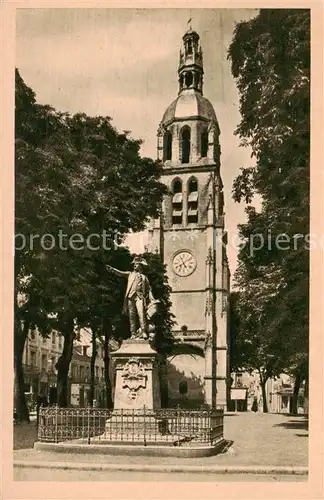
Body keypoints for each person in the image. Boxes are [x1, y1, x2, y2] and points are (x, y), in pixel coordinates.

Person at [106, 256, 155, 339]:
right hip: (130, 297)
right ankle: (133, 333)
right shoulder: (130, 274)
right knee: (131, 316)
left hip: (140, 297)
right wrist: (112, 270)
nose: (134, 266)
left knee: (141, 314)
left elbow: (149, 289)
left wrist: (152, 299)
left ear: (140, 266)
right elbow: (120, 273)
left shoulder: (144, 278)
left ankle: (143, 332)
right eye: (134, 265)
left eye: (136, 265)